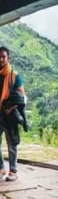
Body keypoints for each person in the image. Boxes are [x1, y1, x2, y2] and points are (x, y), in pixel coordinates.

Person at [0, 47, 26, 181]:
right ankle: (1, 169)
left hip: (9, 115)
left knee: (12, 144)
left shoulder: (14, 75)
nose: (1, 59)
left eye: (3, 56)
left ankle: (13, 171)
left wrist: (10, 108)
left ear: (8, 58)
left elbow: (21, 96)